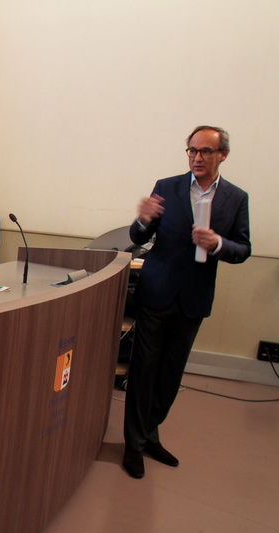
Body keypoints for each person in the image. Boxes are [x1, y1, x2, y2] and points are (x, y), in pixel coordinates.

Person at [122, 126, 251, 479]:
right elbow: (138, 236)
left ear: (222, 155)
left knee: (169, 375)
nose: (196, 157)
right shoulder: (167, 187)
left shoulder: (236, 198)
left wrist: (218, 244)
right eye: (191, 150)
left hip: (194, 298)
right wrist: (143, 217)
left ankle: (150, 434)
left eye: (205, 151)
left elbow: (243, 249)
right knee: (144, 371)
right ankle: (133, 445)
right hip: (157, 291)